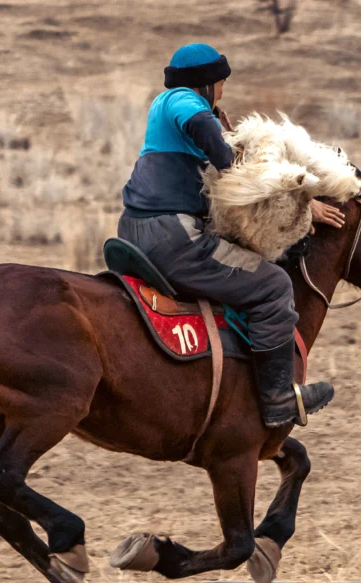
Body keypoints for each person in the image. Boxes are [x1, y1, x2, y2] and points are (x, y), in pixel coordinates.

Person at [118, 43, 342, 428]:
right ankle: (277, 399)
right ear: (205, 83)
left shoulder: (164, 111)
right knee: (273, 285)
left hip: (136, 230)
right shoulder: (178, 101)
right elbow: (197, 120)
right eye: (219, 83)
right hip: (172, 236)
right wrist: (301, 203)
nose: (222, 92)